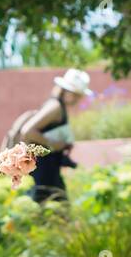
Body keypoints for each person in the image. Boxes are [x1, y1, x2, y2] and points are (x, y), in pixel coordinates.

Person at [12, 68, 92, 203]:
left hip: (49, 168)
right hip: (43, 169)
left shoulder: (58, 106)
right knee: (50, 207)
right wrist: (53, 144)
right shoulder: (55, 107)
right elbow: (27, 131)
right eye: (76, 94)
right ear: (66, 91)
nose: (78, 99)